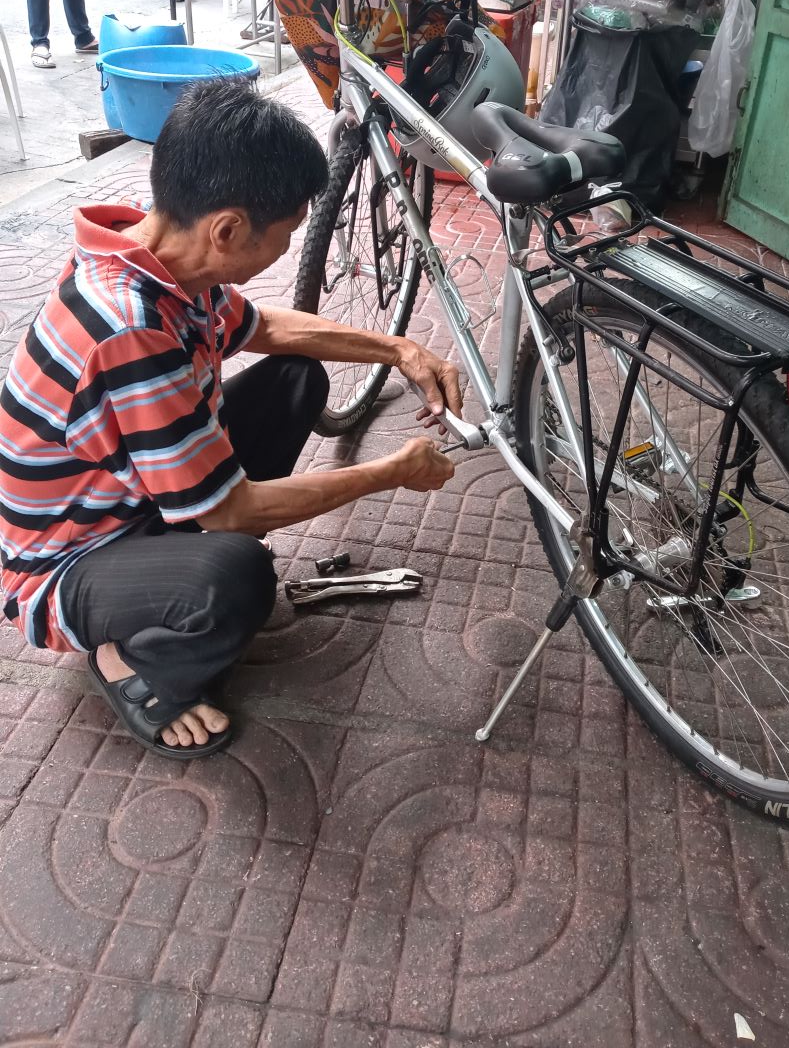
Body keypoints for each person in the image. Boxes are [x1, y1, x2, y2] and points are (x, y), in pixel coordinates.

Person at [0, 79, 459, 760]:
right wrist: (393, 471)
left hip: (130, 505)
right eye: (285, 237)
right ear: (228, 229)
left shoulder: (157, 259)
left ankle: (170, 564)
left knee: (296, 378)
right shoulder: (128, 327)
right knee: (237, 575)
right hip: (64, 566)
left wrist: (398, 348)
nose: (284, 252)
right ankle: (134, 665)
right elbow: (233, 512)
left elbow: (265, 324)